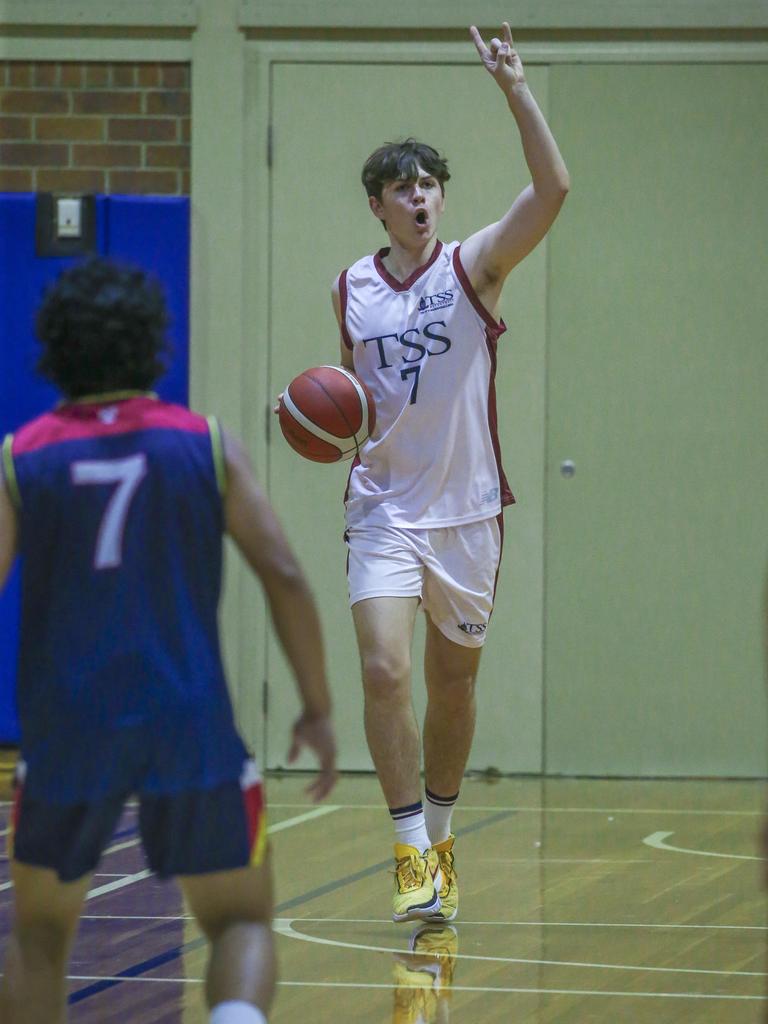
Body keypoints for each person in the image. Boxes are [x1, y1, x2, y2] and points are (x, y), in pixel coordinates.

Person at [0, 257, 337, 1024]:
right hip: (187, 721)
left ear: (54, 350)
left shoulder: (22, 457)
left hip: (66, 728)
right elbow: (284, 572)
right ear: (156, 343)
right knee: (240, 920)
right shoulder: (206, 445)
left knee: (41, 935)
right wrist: (315, 706)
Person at [331, 22, 569, 923]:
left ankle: (440, 829)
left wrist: (516, 89)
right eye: (404, 187)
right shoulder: (352, 286)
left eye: (429, 184)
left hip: (467, 513)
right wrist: (308, 417)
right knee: (384, 671)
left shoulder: (474, 267)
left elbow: (554, 189)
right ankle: (407, 855)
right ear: (379, 205)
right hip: (384, 507)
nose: (420, 197)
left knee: (452, 684)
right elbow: (350, 398)